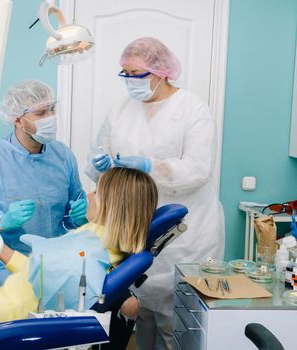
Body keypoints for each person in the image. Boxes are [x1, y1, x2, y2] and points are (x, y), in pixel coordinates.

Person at [86, 37, 224, 350]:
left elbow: (199, 169)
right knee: (141, 315)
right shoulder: (121, 110)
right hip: (134, 230)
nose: (129, 81)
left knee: (177, 322)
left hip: (183, 233)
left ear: (160, 72)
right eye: (125, 73)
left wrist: (152, 165)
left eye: (135, 73)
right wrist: (99, 166)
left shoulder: (192, 110)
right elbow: (98, 162)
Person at [0, 168, 158, 347]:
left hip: (2, 322)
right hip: (5, 302)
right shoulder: (95, 242)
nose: (89, 195)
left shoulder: (81, 259)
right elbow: (42, 270)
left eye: (96, 191)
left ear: (111, 205)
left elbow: (13, 319)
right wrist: (0, 248)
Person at [0, 80, 87, 286]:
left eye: (52, 110)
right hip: (6, 272)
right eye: (41, 113)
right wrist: (1, 222)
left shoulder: (63, 156)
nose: (51, 118)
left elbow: (71, 216)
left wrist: (77, 217)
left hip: (56, 265)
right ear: (18, 120)